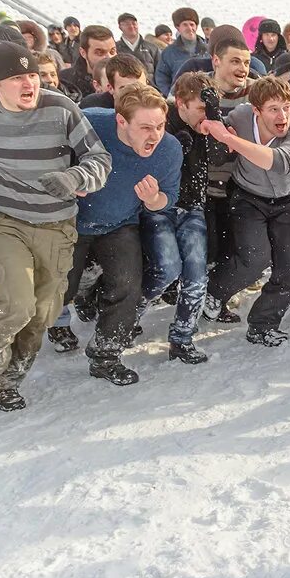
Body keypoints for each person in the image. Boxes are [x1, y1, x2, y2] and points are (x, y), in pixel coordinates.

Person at [0, 43, 112, 409]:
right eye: (17, 78)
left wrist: (74, 178)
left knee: (42, 314)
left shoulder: (60, 108)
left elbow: (99, 158)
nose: (29, 84)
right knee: (16, 305)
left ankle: (12, 378)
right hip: (7, 220)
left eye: (32, 75)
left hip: (56, 224)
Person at [65, 85, 181, 385]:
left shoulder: (169, 149)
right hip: (72, 221)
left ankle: (106, 355)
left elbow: (169, 198)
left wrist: (153, 199)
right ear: (121, 121)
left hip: (119, 222)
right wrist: (68, 178)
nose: (154, 135)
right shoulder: (89, 123)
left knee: (127, 283)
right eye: (145, 127)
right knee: (61, 288)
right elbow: (50, 150)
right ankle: (82, 291)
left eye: (160, 126)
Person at [201, 76, 290, 346]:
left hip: (288, 200)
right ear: (256, 110)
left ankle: (262, 324)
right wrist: (214, 119)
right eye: (273, 109)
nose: (283, 116)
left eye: (286, 107)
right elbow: (215, 140)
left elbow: (282, 161)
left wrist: (230, 139)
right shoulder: (241, 117)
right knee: (254, 260)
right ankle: (214, 292)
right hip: (248, 198)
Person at [143, 71, 230, 364]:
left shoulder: (210, 126)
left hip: (192, 207)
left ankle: (182, 338)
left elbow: (219, 157)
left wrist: (214, 119)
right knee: (166, 269)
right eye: (201, 109)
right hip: (159, 207)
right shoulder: (162, 121)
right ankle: (125, 317)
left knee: (196, 274)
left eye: (211, 109)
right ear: (181, 103)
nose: (206, 115)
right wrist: (174, 146)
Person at [59, 25, 118, 102]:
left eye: (112, 51)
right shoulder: (65, 80)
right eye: (100, 53)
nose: (108, 57)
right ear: (83, 53)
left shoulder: (126, 78)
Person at [155, 7, 207, 96]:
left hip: (206, 98)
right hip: (181, 99)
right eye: (185, 25)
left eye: (192, 24)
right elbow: (161, 77)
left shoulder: (208, 50)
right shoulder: (169, 53)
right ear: (178, 27)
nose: (189, 28)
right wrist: (171, 95)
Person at [77, 53, 145, 110]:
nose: (133, 95)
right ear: (110, 88)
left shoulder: (152, 105)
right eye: (125, 89)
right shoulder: (91, 106)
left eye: (140, 88)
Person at [115, 12, 160, 82]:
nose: (131, 26)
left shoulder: (152, 48)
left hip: (149, 87)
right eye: (127, 24)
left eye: (134, 23)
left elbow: (161, 72)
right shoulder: (115, 49)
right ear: (120, 27)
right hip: (126, 88)